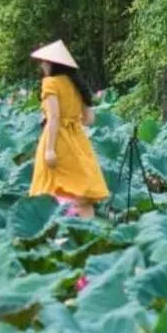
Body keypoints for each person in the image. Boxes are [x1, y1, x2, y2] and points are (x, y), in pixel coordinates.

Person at [28, 41, 108, 217]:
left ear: (51, 63)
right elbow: (89, 119)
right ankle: (90, 235)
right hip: (78, 140)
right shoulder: (77, 84)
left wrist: (49, 149)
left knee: (52, 189)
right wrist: (71, 119)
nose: (42, 66)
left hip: (57, 140)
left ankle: (58, 236)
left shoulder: (50, 83)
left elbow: (54, 117)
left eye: (43, 62)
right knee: (82, 195)